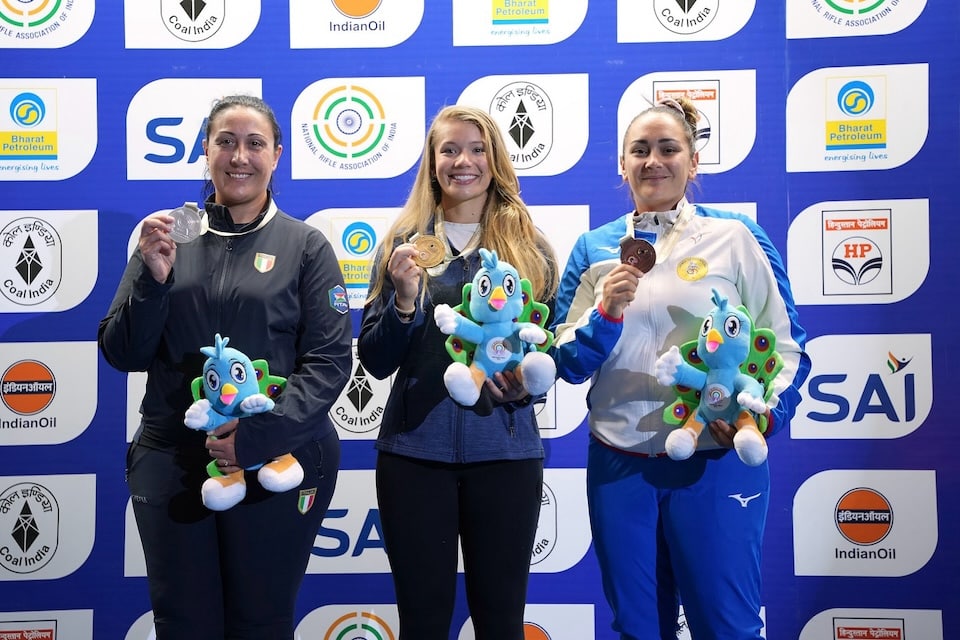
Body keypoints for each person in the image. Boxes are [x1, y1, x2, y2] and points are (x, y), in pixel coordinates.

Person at [550, 97, 810, 640]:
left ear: (693, 162)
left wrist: (762, 416)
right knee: (638, 629)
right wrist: (606, 315)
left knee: (728, 627)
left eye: (669, 149)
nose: (653, 161)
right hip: (620, 466)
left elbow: (786, 347)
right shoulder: (596, 247)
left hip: (715, 463)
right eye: (639, 150)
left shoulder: (735, 236)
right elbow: (566, 361)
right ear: (621, 164)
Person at [98, 94, 353, 639]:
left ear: (277, 155)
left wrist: (257, 435)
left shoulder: (305, 245)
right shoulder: (166, 237)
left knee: (260, 622)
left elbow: (330, 362)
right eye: (226, 142)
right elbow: (122, 352)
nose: (240, 156)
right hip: (173, 458)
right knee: (183, 624)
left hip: (276, 461)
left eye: (255, 143)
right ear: (206, 152)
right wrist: (152, 279)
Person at [357, 105, 559, 639]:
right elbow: (375, 361)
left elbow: (547, 351)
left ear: (495, 161)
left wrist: (524, 387)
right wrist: (403, 303)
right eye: (449, 149)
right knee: (422, 621)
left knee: (499, 620)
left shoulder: (531, 249)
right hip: (413, 457)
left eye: (476, 149)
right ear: (432, 162)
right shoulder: (403, 245)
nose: (462, 161)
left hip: (506, 456)